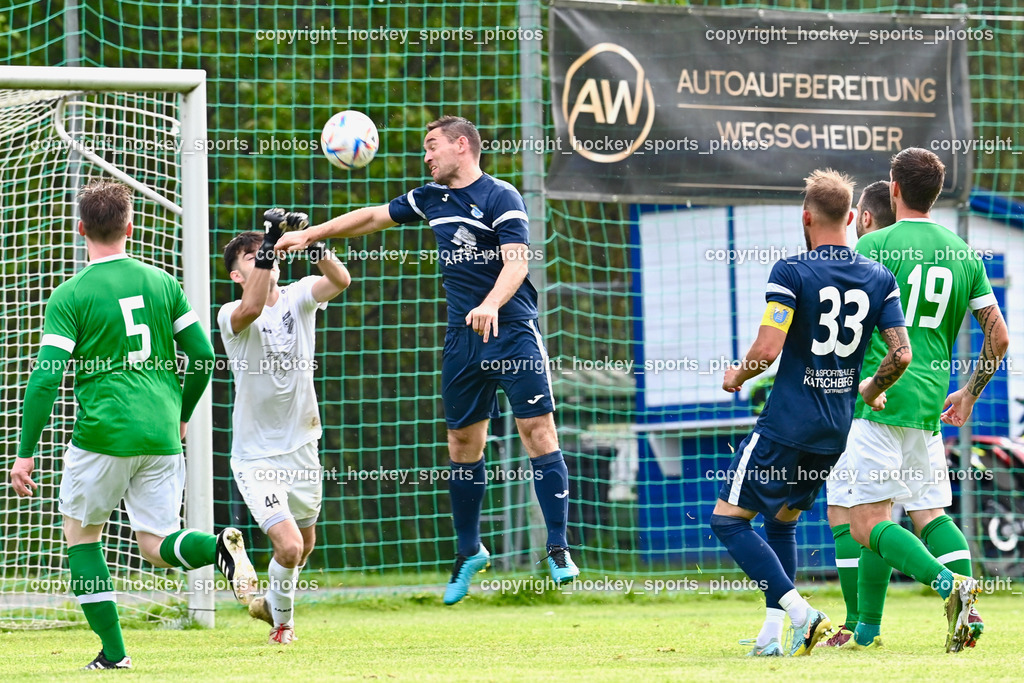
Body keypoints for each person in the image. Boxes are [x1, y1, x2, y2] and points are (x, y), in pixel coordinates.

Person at [275, 115, 579, 604]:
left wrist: (490, 304)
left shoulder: (501, 196)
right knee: (462, 443)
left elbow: (517, 262)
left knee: (537, 433)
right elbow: (374, 216)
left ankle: (559, 548)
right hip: (463, 340)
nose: (426, 155)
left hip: (512, 332)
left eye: (432, 146)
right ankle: (468, 551)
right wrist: (311, 235)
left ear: (463, 146)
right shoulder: (430, 197)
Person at [9, 179, 258, 670]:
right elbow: (204, 358)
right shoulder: (162, 282)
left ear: (80, 228)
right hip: (162, 435)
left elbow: (44, 380)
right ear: (130, 226)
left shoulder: (72, 293)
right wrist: (181, 416)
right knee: (156, 545)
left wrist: (25, 450)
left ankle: (115, 654)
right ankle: (220, 550)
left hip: (102, 436)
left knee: (82, 537)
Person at [710, 169, 910, 657]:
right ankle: (772, 637)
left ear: (806, 217)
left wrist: (737, 375)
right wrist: (869, 387)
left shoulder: (791, 271)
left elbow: (768, 348)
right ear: (849, 217)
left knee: (728, 522)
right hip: (834, 431)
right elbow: (901, 354)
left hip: (788, 423)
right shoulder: (879, 277)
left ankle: (804, 615)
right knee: (780, 523)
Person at [833, 148, 1009, 653]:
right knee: (930, 516)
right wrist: (970, 393)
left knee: (867, 522)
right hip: (931, 407)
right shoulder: (962, 252)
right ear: (935, 193)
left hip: (878, 399)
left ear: (893, 188)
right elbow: (999, 338)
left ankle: (946, 586)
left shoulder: (874, 244)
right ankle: (954, 608)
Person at [218, 209, 351, 644]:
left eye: (266, 253)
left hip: (303, 445)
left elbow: (340, 280)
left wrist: (311, 242)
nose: (264, 258)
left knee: (303, 547)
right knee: (290, 547)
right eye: (254, 257)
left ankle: (265, 605)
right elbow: (254, 306)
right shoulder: (230, 314)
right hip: (256, 456)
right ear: (238, 276)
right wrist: (272, 240)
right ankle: (283, 626)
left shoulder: (297, 295)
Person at [821, 179, 896, 649]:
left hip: (859, 399)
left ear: (863, 218)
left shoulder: (861, 258)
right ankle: (867, 623)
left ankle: (856, 623)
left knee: (846, 514)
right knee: (894, 514)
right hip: (919, 400)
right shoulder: (934, 254)